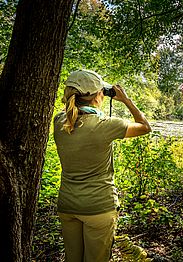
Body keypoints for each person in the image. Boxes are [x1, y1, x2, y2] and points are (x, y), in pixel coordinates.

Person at [53, 69, 151, 262]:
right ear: (98, 95)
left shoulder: (59, 121)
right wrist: (126, 100)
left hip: (67, 204)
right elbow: (145, 127)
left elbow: (75, 115)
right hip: (98, 207)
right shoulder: (105, 125)